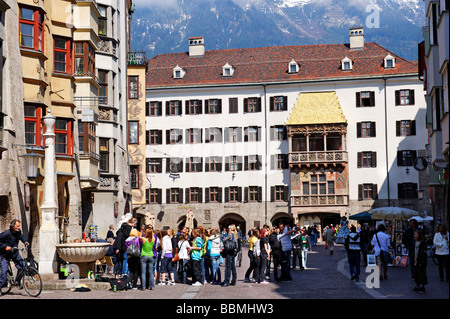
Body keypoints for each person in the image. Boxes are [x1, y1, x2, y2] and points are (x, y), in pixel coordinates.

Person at [0, 219, 29, 289]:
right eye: (17, 226)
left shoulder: (18, 232)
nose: (19, 227)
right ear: (13, 226)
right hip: (5, 255)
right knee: (4, 272)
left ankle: (17, 282)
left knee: (23, 266)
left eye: (19, 226)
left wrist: (25, 242)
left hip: (15, 254)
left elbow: (22, 237)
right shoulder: (6, 233)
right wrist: (5, 247)